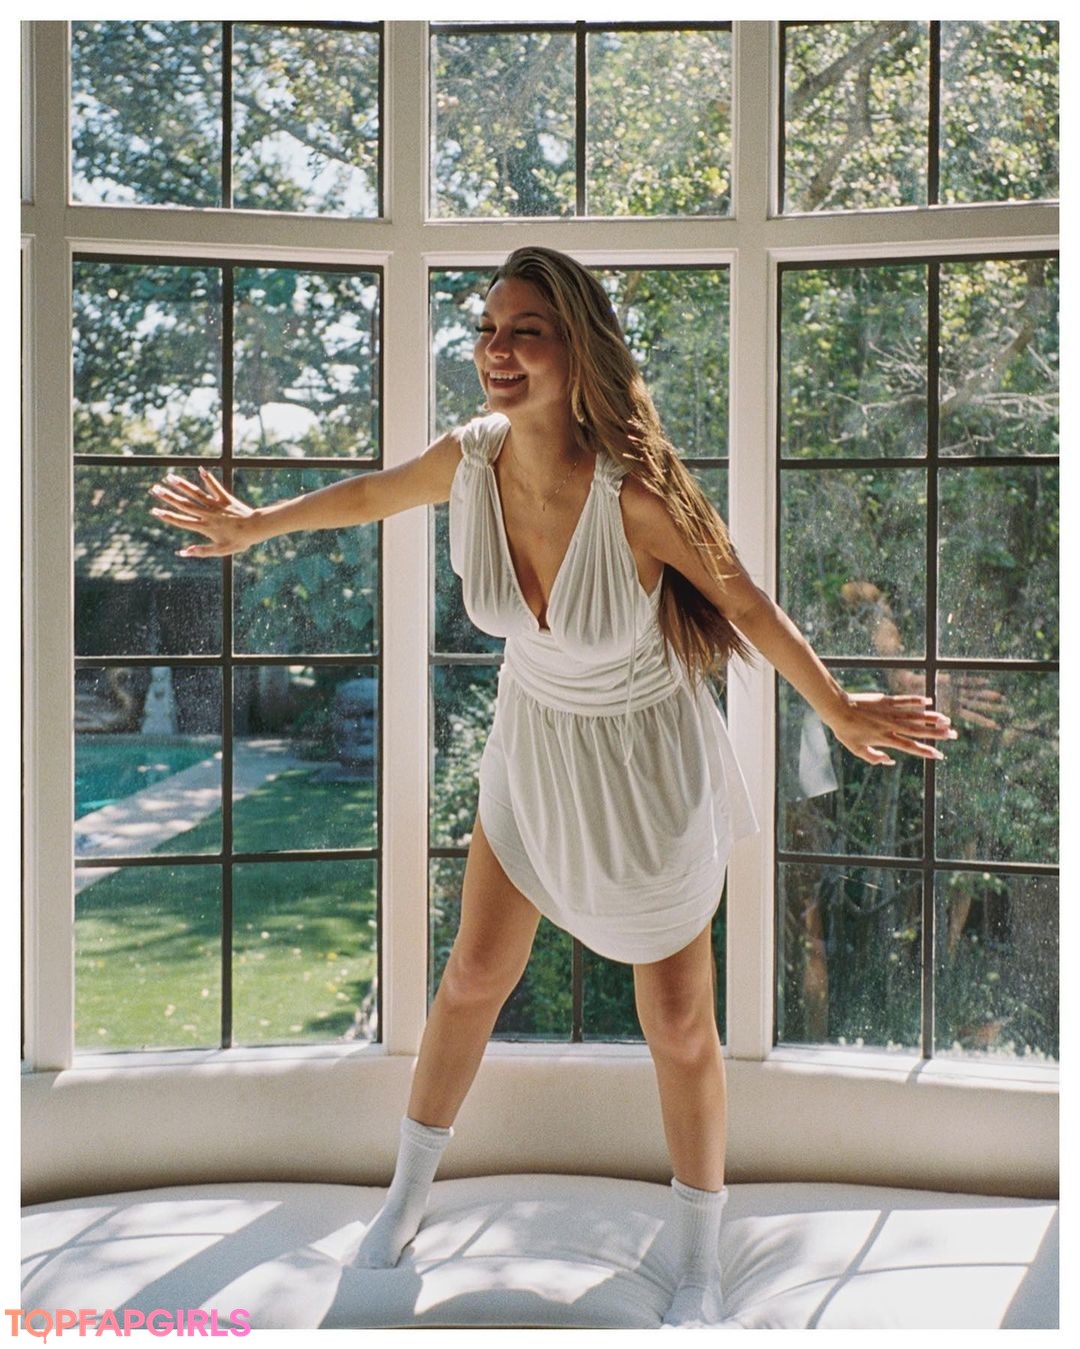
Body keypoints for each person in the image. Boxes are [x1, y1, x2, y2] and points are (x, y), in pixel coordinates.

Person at [148, 245, 956, 1327]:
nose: (496, 350)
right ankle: (404, 1198)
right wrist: (256, 525)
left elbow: (747, 604)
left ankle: (699, 1256)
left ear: (578, 350)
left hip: (644, 764)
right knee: (473, 973)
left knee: (678, 1020)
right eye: (487, 330)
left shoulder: (638, 496)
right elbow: (372, 494)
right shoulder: (471, 458)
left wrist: (840, 705)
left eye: (524, 331)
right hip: (532, 742)